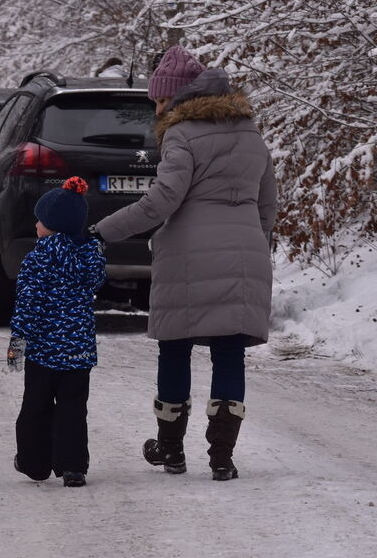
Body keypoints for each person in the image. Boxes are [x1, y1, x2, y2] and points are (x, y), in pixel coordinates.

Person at [93, 45, 277, 482]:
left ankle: (171, 449)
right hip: (246, 252)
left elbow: (163, 200)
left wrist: (104, 230)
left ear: (177, 98)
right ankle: (222, 457)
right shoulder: (251, 133)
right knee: (229, 352)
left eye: (159, 100)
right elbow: (267, 203)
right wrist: (253, 242)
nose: (156, 109)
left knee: (175, 347)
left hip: (187, 257)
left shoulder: (181, 134)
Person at [8, 177, 106, 488]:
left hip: (42, 352)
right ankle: (73, 466)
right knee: (73, 409)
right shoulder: (91, 257)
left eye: (40, 219)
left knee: (35, 406)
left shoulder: (38, 259)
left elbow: (27, 305)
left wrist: (16, 347)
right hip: (78, 354)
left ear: (52, 226)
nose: (36, 224)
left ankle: (33, 462)